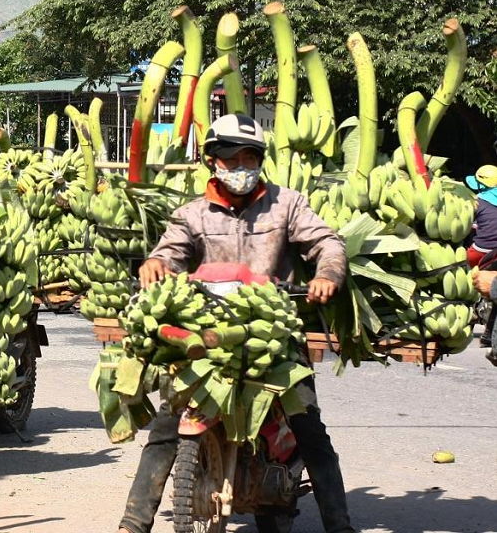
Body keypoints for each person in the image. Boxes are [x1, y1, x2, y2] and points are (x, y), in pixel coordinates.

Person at [118, 114, 354, 533]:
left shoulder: (287, 205)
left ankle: (339, 524)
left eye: (249, 158)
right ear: (213, 162)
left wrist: (326, 274)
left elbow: (326, 242)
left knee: (308, 428)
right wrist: (157, 264)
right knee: (167, 425)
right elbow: (170, 252)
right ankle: (133, 524)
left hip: (273, 332)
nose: (241, 167)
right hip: (209, 333)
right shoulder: (193, 214)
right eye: (232, 159)